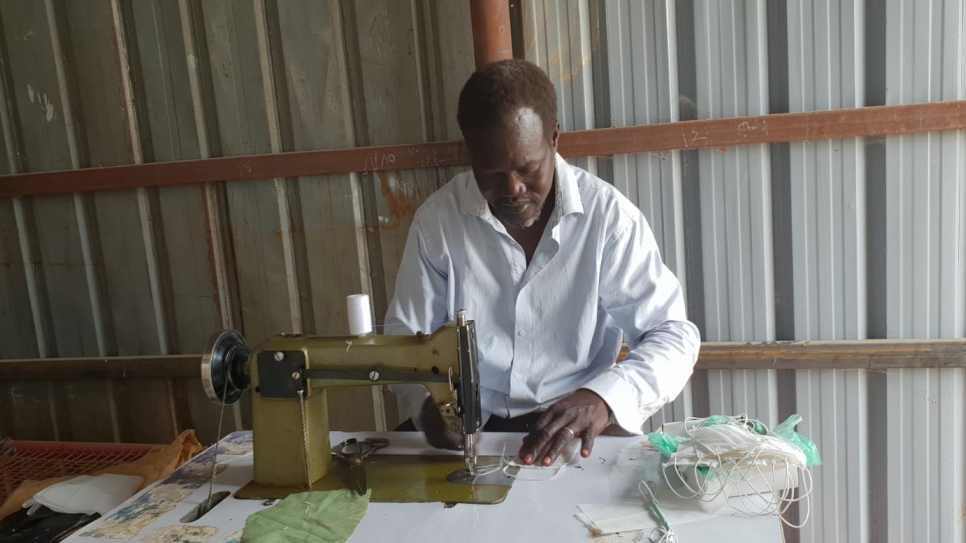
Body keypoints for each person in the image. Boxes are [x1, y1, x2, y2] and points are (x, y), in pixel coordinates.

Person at [385, 59, 700, 467]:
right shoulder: (438, 224)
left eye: (528, 168)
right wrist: (427, 404)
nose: (512, 189)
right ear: (471, 154)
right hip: (472, 433)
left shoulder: (608, 220)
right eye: (491, 173)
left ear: (553, 139)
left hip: (574, 428)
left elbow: (673, 334)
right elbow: (405, 338)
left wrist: (605, 398)